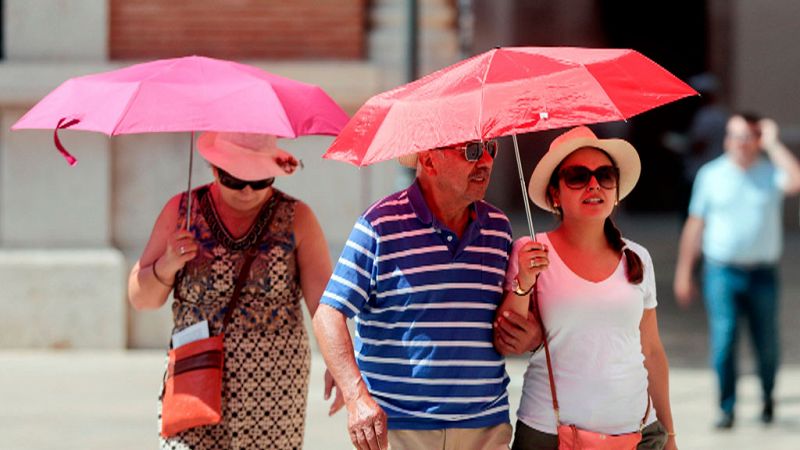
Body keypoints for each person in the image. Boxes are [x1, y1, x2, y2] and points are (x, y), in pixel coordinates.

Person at [312, 140, 539, 450]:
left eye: (491, 149)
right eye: (472, 151)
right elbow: (328, 313)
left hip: (486, 427)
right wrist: (355, 397)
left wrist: (531, 334)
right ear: (430, 162)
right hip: (400, 430)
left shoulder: (498, 228)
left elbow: (508, 320)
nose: (486, 160)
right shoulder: (379, 225)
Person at [128, 132, 336, 449]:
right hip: (194, 375)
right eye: (235, 180)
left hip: (274, 384)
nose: (248, 191)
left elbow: (323, 303)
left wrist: (340, 365)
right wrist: (167, 265)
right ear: (214, 169)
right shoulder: (183, 211)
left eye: (260, 180)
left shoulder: (297, 217)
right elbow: (141, 298)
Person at [498, 126, 677, 450]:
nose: (594, 184)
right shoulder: (531, 252)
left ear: (616, 189)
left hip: (639, 434)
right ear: (555, 194)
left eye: (604, 175)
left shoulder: (637, 257)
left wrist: (671, 436)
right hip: (549, 435)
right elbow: (507, 336)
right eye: (578, 176)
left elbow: (651, 351)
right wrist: (523, 280)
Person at [674, 113, 800, 428]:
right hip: (722, 272)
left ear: (757, 139)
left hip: (762, 273)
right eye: (734, 136)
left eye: (747, 136)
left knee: (766, 341)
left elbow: (796, 181)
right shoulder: (711, 175)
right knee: (725, 337)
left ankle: (768, 397)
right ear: (726, 139)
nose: (740, 143)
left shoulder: (771, 172)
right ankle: (726, 407)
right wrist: (684, 271)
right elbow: (695, 224)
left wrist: (773, 144)